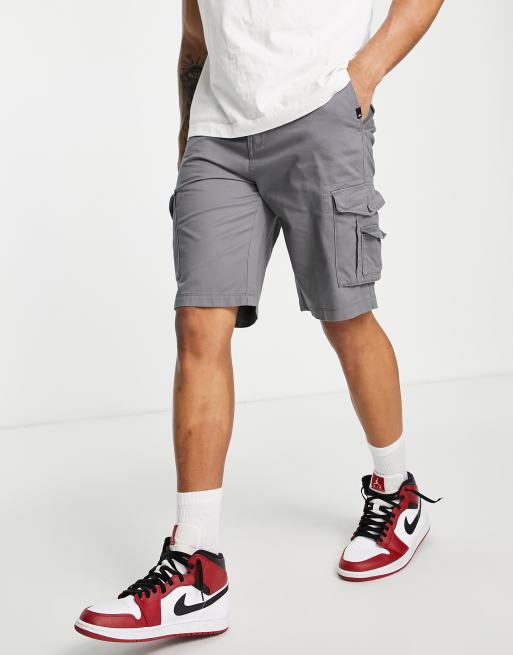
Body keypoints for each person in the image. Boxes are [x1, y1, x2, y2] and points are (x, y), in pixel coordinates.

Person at [75, 0, 444, 642]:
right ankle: (196, 565)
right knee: (198, 325)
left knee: (346, 316)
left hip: (321, 114)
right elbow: (196, 31)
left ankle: (397, 491)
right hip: (216, 136)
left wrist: (363, 74)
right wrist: (188, 130)